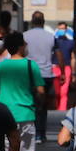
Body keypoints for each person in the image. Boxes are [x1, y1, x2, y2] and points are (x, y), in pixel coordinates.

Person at [0, 33, 44, 151]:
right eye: (24, 43)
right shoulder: (30, 65)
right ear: (20, 46)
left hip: (4, 114)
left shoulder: (1, 67)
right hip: (25, 114)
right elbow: (40, 91)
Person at [23, 12, 57, 144]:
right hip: (46, 74)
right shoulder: (51, 36)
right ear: (43, 22)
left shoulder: (25, 36)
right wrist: (63, 72)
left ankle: (31, 132)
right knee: (43, 105)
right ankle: (41, 134)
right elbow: (58, 54)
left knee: (31, 104)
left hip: (29, 73)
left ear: (32, 21)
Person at [53, 21, 76, 110]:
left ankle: (61, 110)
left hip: (66, 68)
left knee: (64, 92)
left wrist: (73, 73)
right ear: (57, 29)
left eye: (63, 29)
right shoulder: (53, 41)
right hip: (55, 67)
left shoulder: (71, 42)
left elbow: (73, 58)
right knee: (56, 91)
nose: (61, 30)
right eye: (60, 29)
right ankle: (56, 107)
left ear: (66, 30)